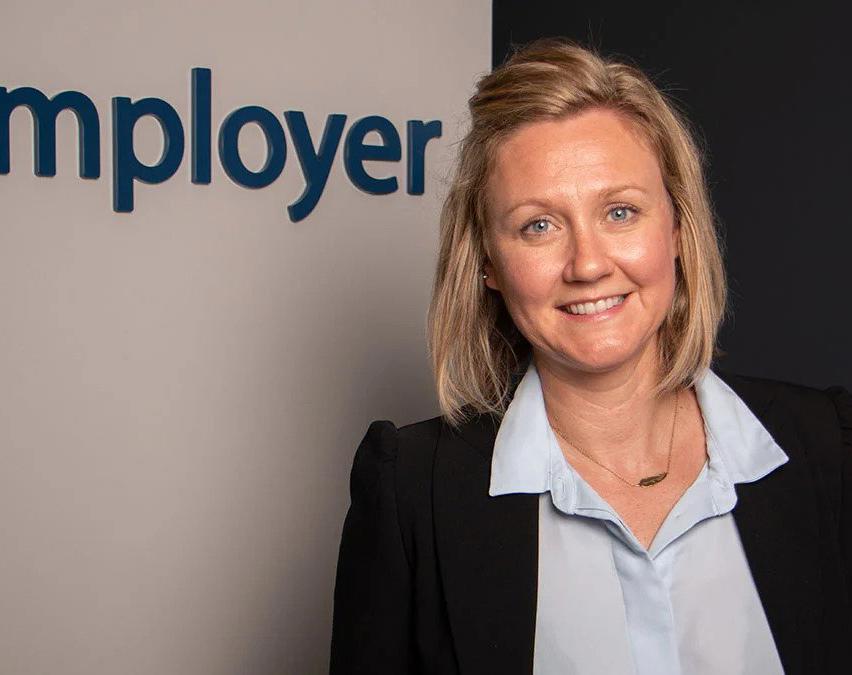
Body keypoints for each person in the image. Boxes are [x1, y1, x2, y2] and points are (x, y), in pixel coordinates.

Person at [328, 37, 852, 675]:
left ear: (677, 228)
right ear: (487, 263)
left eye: (620, 212)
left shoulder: (830, 449)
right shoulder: (411, 493)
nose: (587, 264)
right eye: (538, 225)